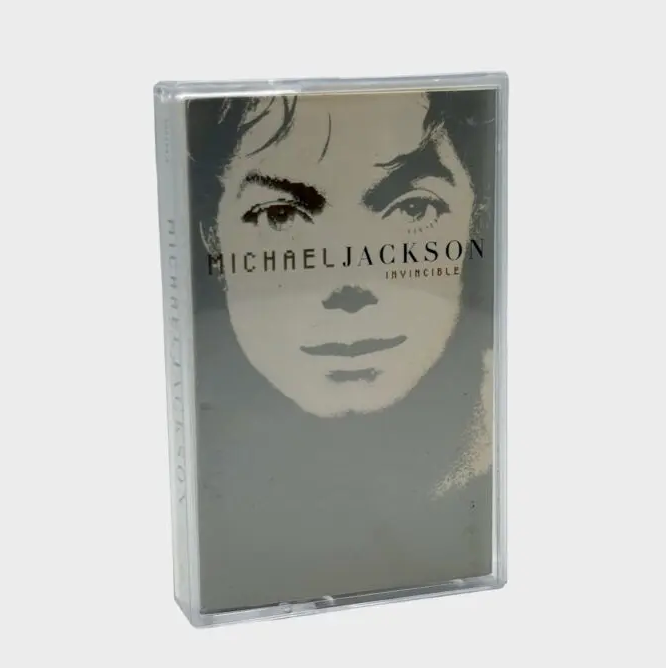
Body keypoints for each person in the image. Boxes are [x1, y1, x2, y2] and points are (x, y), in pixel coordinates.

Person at [186, 88, 497, 613]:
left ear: (476, 220)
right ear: (210, 237)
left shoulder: (484, 494)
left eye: (413, 207)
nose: (349, 289)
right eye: (279, 215)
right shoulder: (214, 519)